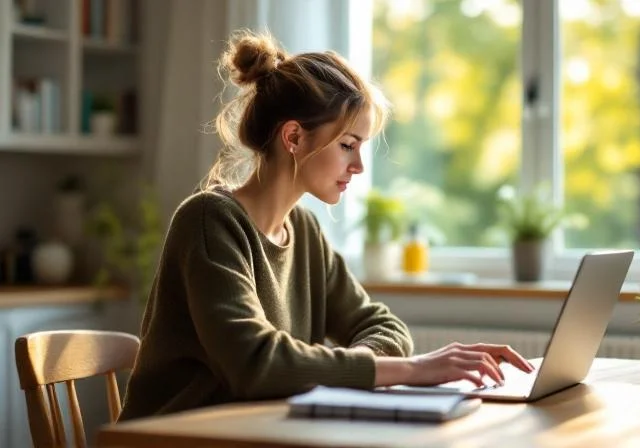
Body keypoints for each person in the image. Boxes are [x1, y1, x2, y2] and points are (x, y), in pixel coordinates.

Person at [118, 30, 533, 421]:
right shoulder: (209, 220)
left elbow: (382, 326)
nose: (358, 166)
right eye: (348, 145)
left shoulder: (305, 230)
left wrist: (348, 371)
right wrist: (410, 370)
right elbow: (256, 364)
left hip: (261, 433)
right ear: (294, 137)